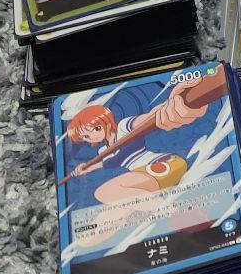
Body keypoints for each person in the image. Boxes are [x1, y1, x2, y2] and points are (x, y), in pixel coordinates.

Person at [65, 80, 209, 202]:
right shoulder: (102, 151)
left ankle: (169, 207)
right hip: (146, 176)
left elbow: (149, 118)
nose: (92, 136)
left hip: (163, 164)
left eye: (96, 128)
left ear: (106, 122)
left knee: (105, 192)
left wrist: (169, 104)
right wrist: (88, 167)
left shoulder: (123, 128)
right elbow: (113, 161)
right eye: (86, 136)